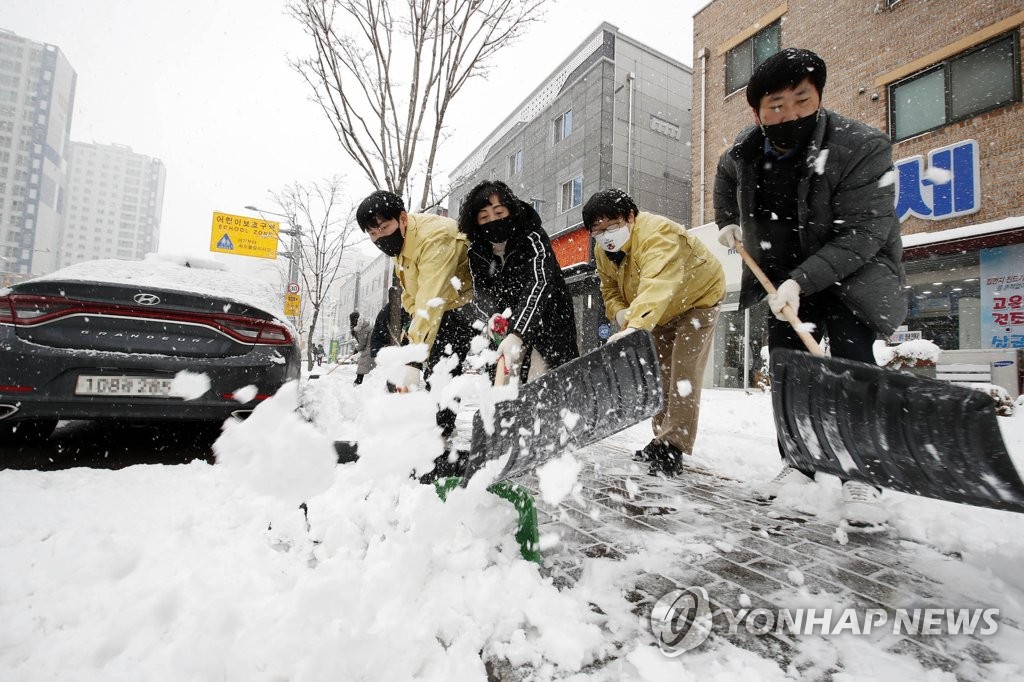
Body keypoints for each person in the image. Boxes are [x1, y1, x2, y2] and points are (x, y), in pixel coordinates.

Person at [713, 47, 907, 527]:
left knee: (848, 365)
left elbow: (864, 233)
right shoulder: (746, 148)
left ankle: (862, 475)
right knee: (788, 370)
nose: (791, 114)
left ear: (818, 96)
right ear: (756, 111)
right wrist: (728, 222)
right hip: (779, 278)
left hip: (850, 276)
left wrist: (802, 279)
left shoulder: (860, 145)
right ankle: (798, 462)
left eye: (802, 100)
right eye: (776, 105)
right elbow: (724, 173)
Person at [582, 188, 725, 477]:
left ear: (630, 217)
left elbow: (657, 284)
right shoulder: (602, 250)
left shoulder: (657, 234)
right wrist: (620, 312)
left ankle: (674, 445)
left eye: (611, 226)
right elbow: (608, 288)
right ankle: (661, 438)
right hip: (658, 311)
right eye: (597, 231)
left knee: (683, 371)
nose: (605, 235)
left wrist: (635, 325)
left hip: (697, 300)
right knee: (659, 374)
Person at [355, 190, 475, 439]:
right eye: (372, 234)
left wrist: (413, 359)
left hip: (469, 307)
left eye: (383, 227)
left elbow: (430, 299)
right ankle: (430, 430)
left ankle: (440, 435)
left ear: (403, 218)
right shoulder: (401, 244)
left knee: (443, 370)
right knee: (434, 370)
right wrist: (414, 344)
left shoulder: (434, 237)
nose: (379, 237)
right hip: (442, 308)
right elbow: (412, 296)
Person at [456, 180, 579, 383]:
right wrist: (491, 316)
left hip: (550, 323)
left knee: (555, 387)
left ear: (510, 211)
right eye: (484, 217)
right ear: (475, 223)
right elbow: (481, 293)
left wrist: (519, 332)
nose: (493, 220)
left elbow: (539, 284)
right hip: (508, 334)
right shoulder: (477, 252)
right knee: (510, 392)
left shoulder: (533, 238)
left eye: (499, 212)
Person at [349, 312, 373, 385]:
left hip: (370, 346)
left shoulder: (360, 328)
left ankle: (358, 381)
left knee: (363, 361)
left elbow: (362, 344)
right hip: (374, 345)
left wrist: (356, 349)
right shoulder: (365, 324)